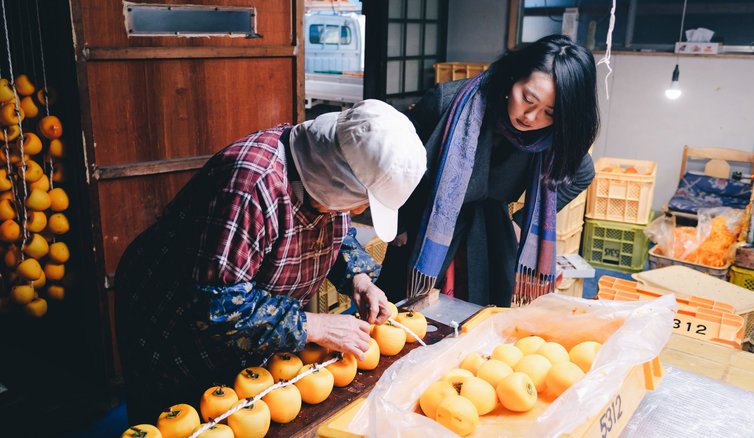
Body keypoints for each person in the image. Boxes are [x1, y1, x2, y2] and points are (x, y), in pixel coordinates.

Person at [114, 100, 426, 423]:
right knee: (182, 420)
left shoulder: (323, 177)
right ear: (337, 180)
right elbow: (217, 306)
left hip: (237, 327)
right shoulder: (252, 187)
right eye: (360, 203)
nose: (358, 212)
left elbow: (337, 230)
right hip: (171, 321)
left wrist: (359, 279)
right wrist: (313, 325)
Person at [377, 35, 599, 307]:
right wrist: (399, 221)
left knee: (477, 319)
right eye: (527, 98)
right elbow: (395, 162)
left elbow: (583, 173)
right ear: (513, 78)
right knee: (402, 312)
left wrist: (518, 223)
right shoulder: (446, 103)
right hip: (427, 222)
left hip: (489, 236)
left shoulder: (550, 138)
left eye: (549, 113)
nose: (530, 117)